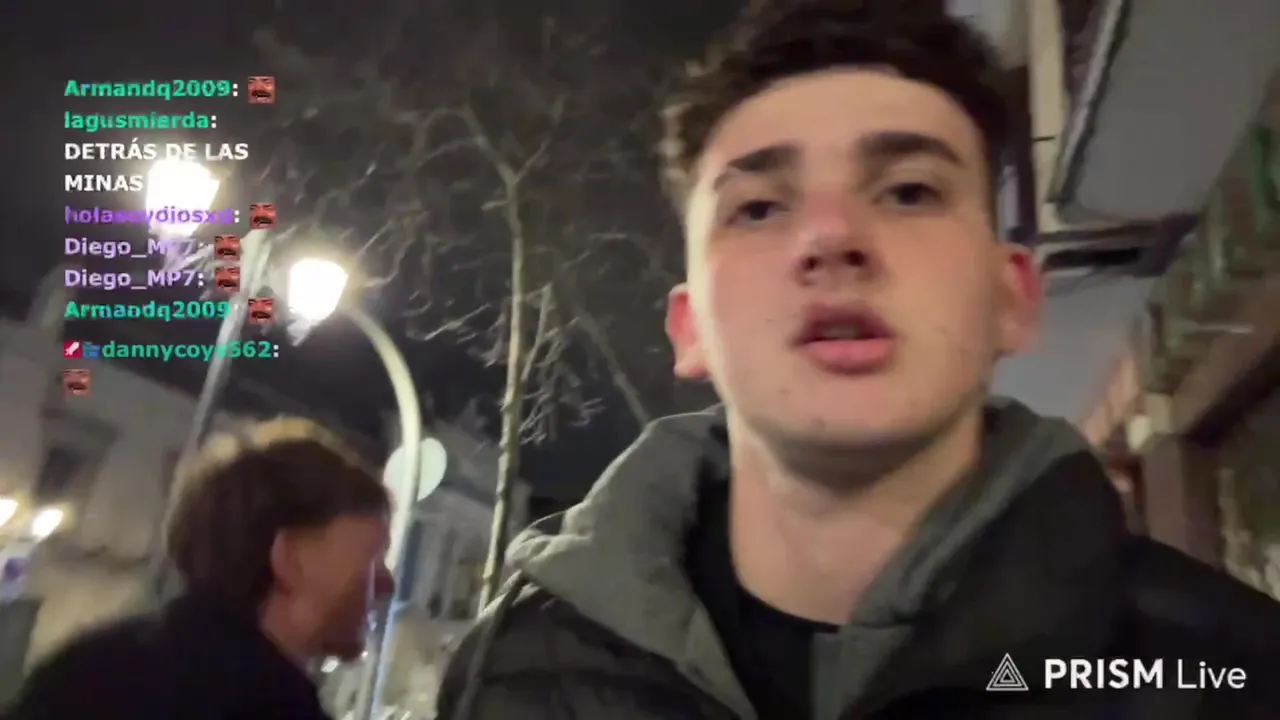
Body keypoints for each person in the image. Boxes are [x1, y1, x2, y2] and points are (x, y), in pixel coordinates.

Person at [435, 1, 1280, 718]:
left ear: (1011, 298)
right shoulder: (506, 679)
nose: (832, 236)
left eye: (909, 191)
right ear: (691, 329)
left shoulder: (1230, 672)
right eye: (758, 208)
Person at [3, 418, 395, 720]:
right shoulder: (267, 706)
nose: (386, 583)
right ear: (290, 559)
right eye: (372, 557)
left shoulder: (84, 667)